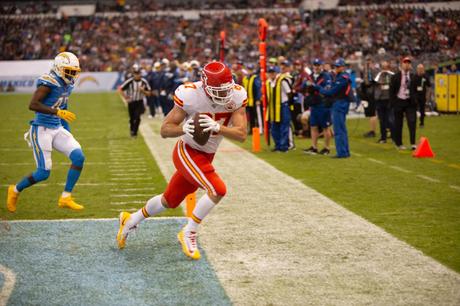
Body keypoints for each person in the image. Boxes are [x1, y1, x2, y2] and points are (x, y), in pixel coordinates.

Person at [116, 61, 248, 260]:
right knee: (217, 189)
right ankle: (189, 232)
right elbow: (165, 129)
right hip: (187, 150)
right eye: (217, 90)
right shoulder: (190, 94)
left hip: (206, 155)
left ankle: (130, 219)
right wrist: (183, 129)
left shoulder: (237, 95)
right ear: (205, 86)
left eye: (226, 89)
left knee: (169, 200)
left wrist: (217, 127)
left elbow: (241, 134)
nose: (224, 95)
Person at [6, 52, 85, 212]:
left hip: (57, 128)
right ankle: (14, 190)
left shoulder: (67, 84)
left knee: (78, 157)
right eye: (69, 70)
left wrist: (66, 129)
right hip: (41, 129)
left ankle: (65, 197)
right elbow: (33, 105)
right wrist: (57, 113)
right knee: (43, 173)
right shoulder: (48, 82)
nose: (72, 74)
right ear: (58, 68)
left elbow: (63, 108)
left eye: (74, 71)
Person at [314, 58, 352, 158]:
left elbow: (331, 92)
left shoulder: (342, 78)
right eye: (335, 66)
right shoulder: (340, 76)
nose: (336, 68)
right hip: (340, 102)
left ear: (343, 67)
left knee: (338, 129)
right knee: (342, 129)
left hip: (339, 103)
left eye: (338, 66)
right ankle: (345, 151)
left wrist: (319, 88)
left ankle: (342, 153)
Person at [303, 58, 332, 155]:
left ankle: (326, 148)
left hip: (323, 104)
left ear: (322, 66)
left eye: (318, 65)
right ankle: (314, 147)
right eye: (315, 65)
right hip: (314, 104)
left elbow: (327, 89)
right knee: (313, 126)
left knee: (325, 127)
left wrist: (314, 85)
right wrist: (306, 84)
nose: (316, 67)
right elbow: (304, 85)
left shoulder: (326, 76)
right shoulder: (311, 76)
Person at [389, 57, 417, 150]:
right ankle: (399, 143)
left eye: (409, 63)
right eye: (405, 62)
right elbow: (391, 91)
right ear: (401, 64)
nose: (407, 64)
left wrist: (415, 101)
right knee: (398, 123)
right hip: (399, 101)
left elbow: (416, 90)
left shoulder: (413, 76)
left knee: (412, 122)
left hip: (409, 102)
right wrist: (393, 102)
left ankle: (413, 143)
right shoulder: (395, 76)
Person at [118, 64, 151, 137]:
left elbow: (149, 93)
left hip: (139, 101)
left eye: (138, 73)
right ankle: (132, 130)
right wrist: (126, 98)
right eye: (135, 74)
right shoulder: (130, 81)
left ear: (140, 74)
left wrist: (143, 91)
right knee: (132, 118)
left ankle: (135, 133)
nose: (137, 75)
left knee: (137, 116)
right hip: (131, 102)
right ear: (133, 74)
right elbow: (120, 89)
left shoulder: (144, 82)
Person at [269, 60, 293, 152]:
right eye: (270, 72)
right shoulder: (270, 82)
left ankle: (283, 146)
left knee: (284, 126)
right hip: (274, 106)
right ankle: (277, 145)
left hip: (283, 105)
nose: (271, 74)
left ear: (276, 73)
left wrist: (287, 103)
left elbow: (289, 92)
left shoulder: (282, 80)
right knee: (275, 126)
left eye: (273, 72)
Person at [374, 61, 394, 143]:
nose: (384, 68)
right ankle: (383, 137)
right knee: (382, 120)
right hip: (380, 100)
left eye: (385, 67)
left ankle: (394, 136)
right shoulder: (378, 75)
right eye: (382, 67)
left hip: (389, 99)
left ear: (388, 67)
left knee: (391, 119)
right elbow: (375, 83)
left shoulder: (392, 75)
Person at [242, 63, 262, 133]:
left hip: (254, 100)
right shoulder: (245, 78)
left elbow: (258, 89)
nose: (249, 71)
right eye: (248, 69)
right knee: (250, 116)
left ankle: (259, 128)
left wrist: (258, 99)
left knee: (256, 115)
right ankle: (251, 129)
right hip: (247, 100)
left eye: (250, 69)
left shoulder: (255, 78)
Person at [361, 57, 377, 138]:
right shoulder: (369, 70)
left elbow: (368, 82)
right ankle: (373, 130)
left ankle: (373, 131)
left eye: (368, 61)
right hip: (370, 93)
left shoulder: (371, 70)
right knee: (371, 113)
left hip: (371, 93)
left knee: (372, 113)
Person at [412, 64, 431, 128]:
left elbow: (429, 86)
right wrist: (413, 96)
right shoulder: (414, 77)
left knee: (422, 110)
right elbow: (412, 87)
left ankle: (422, 123)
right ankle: (413, 122)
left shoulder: (425, 76)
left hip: (423, 95)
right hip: (415, 95)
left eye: (421, 69)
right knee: (413, 109)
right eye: (419, 69)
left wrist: (427, 95)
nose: (420, 70)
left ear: (423, 69)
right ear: (417, 69)